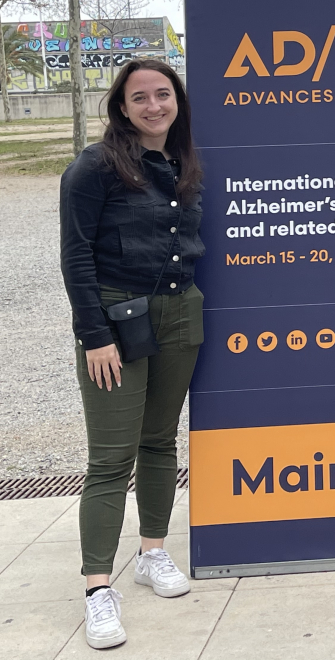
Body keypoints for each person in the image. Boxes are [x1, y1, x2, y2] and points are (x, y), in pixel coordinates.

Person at [60, 58, 205, 649]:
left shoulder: (183, 162)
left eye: (162, 94)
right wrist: (94, 335)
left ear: (177, 101)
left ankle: (152, 552)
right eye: (140, 97)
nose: (153, 105)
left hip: (179, 312)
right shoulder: (93, 168)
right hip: (118, 318)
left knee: (158, 441)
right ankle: (99, 590)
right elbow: (76, 256)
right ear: (122, 107)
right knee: (109, 459)